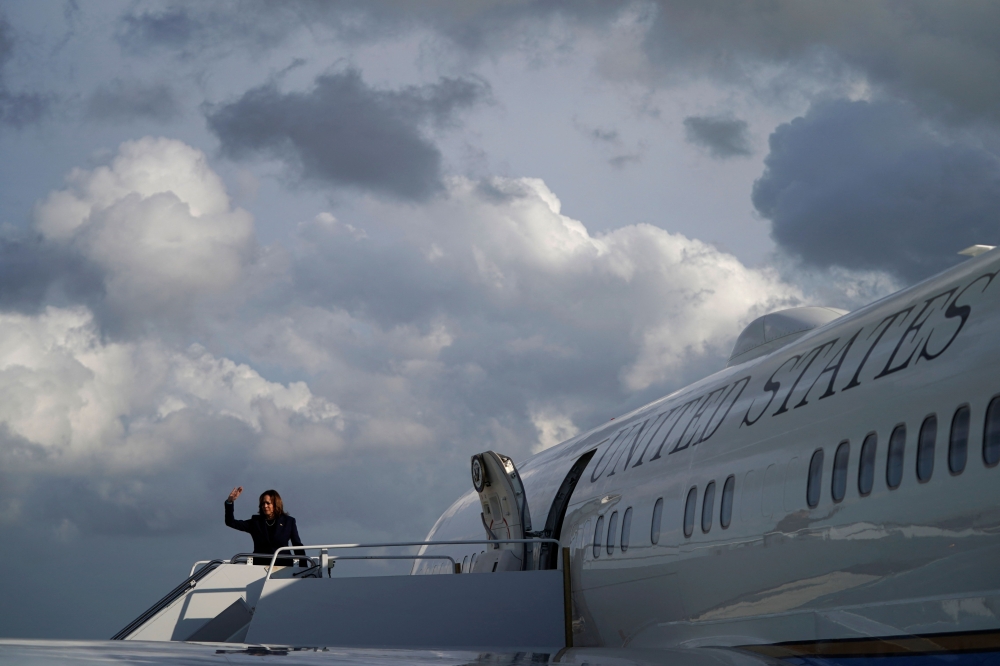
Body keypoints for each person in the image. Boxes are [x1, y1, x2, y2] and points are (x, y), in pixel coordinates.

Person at [225, 487, 306, 566]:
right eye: (263, 503)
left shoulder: (288, 521)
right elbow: (230, 522)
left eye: (268, 503)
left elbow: (297, 545)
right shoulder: (256, 522)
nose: (265, 506)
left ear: (276, 504)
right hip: (259, 568)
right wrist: (229, 502)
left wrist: (303, 568)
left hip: (284, 567)